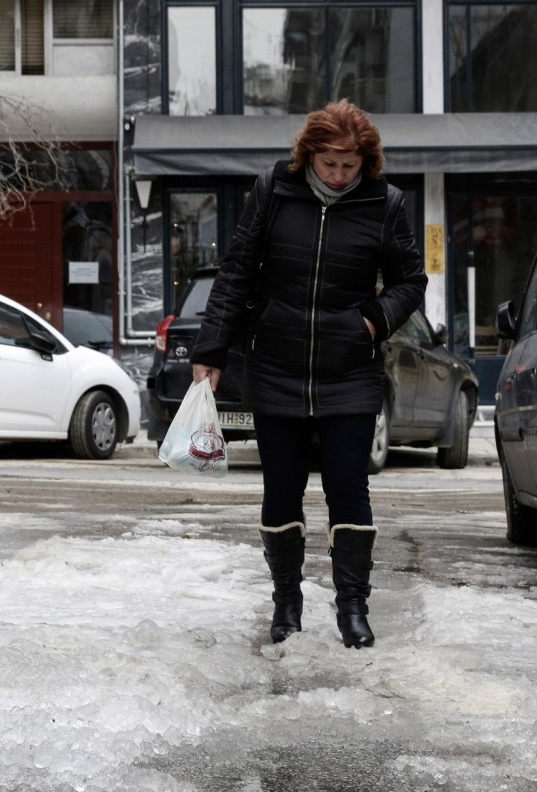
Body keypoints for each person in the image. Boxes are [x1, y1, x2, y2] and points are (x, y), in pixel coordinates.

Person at [189, 100, 428, 649]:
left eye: (349, 166)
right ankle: (287, 603)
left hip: (350, 373)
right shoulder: (273, 191)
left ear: (365, 161)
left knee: (349, 488)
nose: (339, 176)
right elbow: (237, 272)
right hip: (276, 366)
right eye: (329, 165)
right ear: (308, 156)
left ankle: (352, 606)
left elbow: (409, 282)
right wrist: (213, 349)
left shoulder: (384, 203)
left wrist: (372, 321)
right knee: (281, 490)